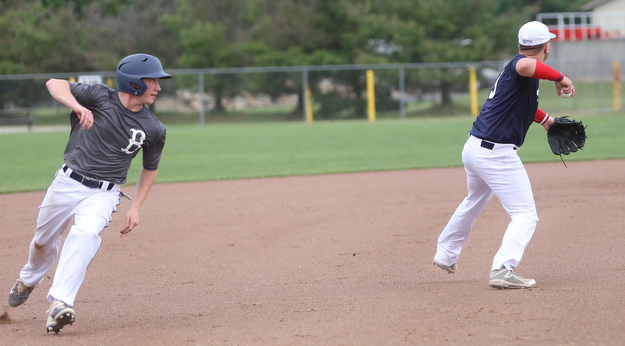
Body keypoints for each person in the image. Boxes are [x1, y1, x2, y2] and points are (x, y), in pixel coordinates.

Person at [7, 53, 171, 333]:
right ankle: (29, 279)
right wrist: (77, 107)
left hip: (104, 193)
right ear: (133, 83)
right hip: (67, 182)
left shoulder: (153, 127)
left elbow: (150, 168)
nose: (158, 87)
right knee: (43, 243)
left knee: (84, 235)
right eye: (152, 80)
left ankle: (60, 303)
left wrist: (137, 206)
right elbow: (54, 83)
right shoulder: (98, 96)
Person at [432, 21, 574, 289]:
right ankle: (503, 269)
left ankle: (445, 254)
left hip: (475, 148)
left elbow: (521, 104)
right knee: (525, 214)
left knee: (474, 200)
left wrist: (546, 121)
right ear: (547, 47)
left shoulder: (522, 75)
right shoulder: (520, 66)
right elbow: (525, 64)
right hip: (496, 155)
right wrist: (560, 77)